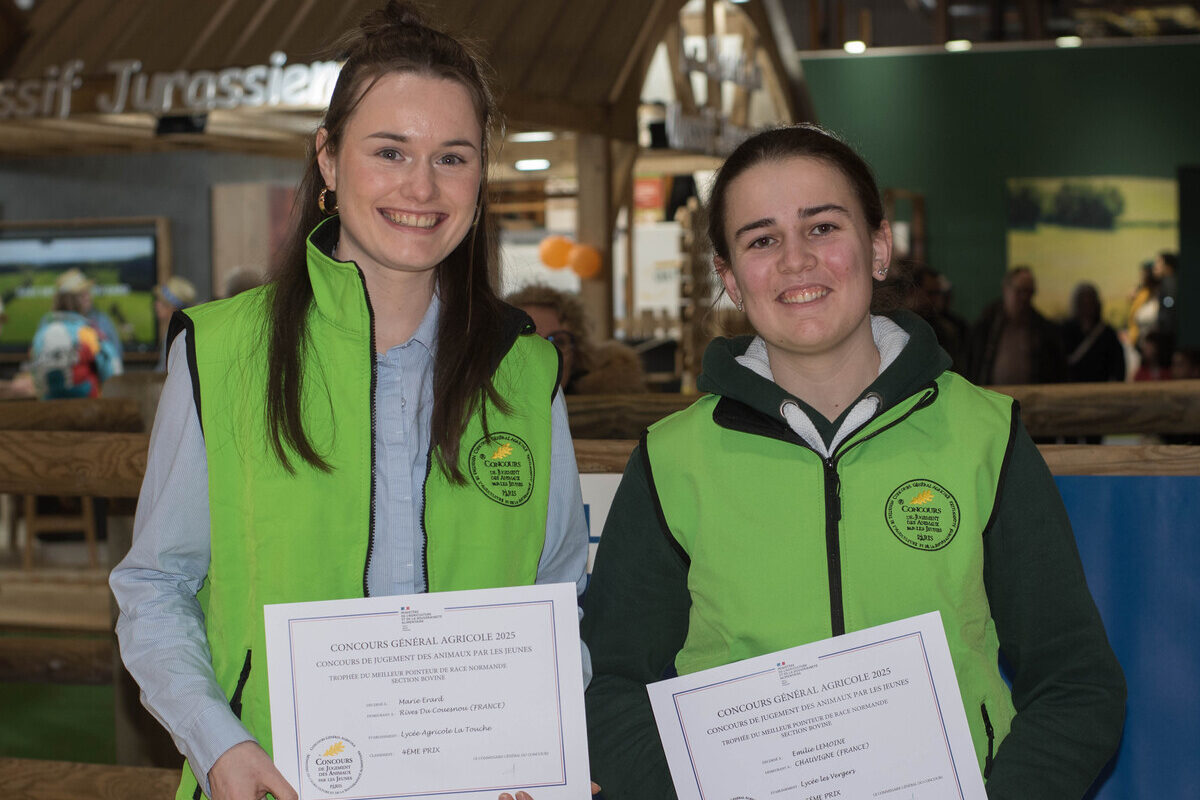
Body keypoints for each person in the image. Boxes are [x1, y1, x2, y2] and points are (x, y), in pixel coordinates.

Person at [110, 5, 588, 800]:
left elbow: (559, 597)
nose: (422, 187)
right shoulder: (224, 351)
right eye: (390, 151)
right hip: (275, 784)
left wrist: (544, 746)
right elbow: (156, 586)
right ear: (328, 160)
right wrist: (216, 742)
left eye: (453, 157)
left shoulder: (524, 370)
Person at [581, 125, 1125, 800]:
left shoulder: (983, 434)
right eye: (761, 239)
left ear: (878, 247)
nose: (794, 260)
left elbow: (1077, 683)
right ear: (729, 279)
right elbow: (614, 685)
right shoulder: (671, 461)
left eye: (822, 227)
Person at [507, 284, 647, 393]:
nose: (545, 352)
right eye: (528, 340)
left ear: (577, 355)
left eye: (558, 341)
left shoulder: (610, 406)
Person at [967, 266, 1066, 385]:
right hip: (991, 398)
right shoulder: (986, 326)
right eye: (1019, 291)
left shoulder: (1044, 330)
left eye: (1029, 292)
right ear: (1006, 289)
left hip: (1033, 399)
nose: (1024, 297)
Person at [54, 267, 126, 365]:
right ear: (67, 300)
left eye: (87, 291)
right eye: (80, 294)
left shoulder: (102, 320)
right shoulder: (54, 326)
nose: (87, 297)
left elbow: (115, 357)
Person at [1061, 282, 1124, 384]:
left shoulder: (1107, 334)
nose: (1087, 308)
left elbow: (1118, 367)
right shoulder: (1065, 331)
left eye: (1090, 303)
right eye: (1083, 303)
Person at [152, 276, 197, 371]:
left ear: (171, 306)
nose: (156, 304)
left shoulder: (175, 334)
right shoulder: (176, 331)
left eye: (160, 301)